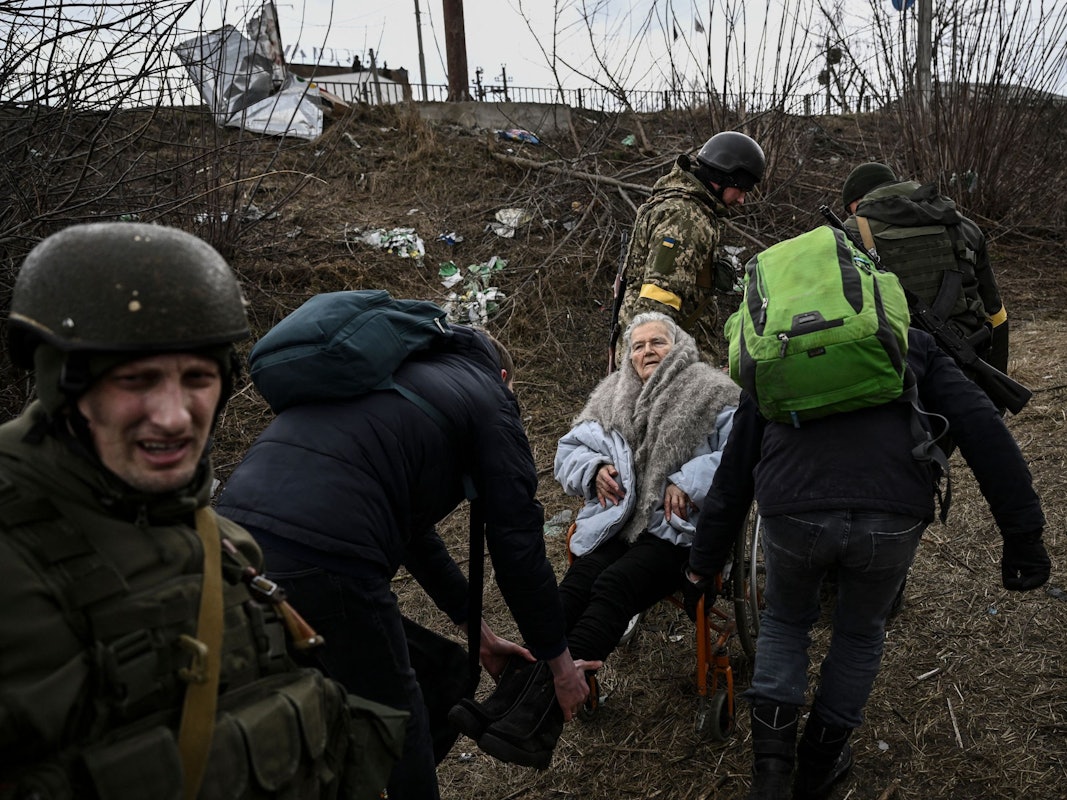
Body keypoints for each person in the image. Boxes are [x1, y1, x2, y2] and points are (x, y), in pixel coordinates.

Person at [0, 222, 394, 798]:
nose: (175, 416)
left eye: (197, 378)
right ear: (65, 386)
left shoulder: (225, 544)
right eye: (136, 380)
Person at [214, 323, 596, 795]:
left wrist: (478, 635)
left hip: (230, 543)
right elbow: (518, 548)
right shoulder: (488, 398)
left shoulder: (393, 379)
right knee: (399, 717)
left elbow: (414, 536)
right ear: (503, 377)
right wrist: (561, 666)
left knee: (442, 673)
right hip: (325, 555)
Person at [684, 326, 1050, 800]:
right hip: (891, 510)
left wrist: (702, 563)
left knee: (785, 623)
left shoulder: (776, 348)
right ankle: (817, 768)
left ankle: (771, 775)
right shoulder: (911, 342)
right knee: (859, 633)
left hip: (794, 503)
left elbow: (735, 470)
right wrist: (1022, 534)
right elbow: (983, 426)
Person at [452, 312, 740, 766]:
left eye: (657, 342)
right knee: (573, 589)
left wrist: (688, 481)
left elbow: (738, 457)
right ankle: (507, 704)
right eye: (638, 345)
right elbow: (569, 450)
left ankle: (539, 716)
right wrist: (594, 469)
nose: (647, 351)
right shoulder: (612, 395)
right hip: (619, 522)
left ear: (680, 347)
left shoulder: (713, 390)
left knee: (613, 586)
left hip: (675, 531)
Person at [840, 162, 1010, 376]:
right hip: (965, 363)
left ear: (858, 202)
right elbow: (996, 312)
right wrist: (996, 383)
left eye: (851, 210)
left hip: (892, 365)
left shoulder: (847, 235)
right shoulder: (961, 224)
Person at [616, 131, 766, 367]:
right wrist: (652, 371)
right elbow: (658, 301)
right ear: (725, 178)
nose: (741, 200)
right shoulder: (686, 218)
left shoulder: (682, 207)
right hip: (671, 366)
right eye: (742, 188)